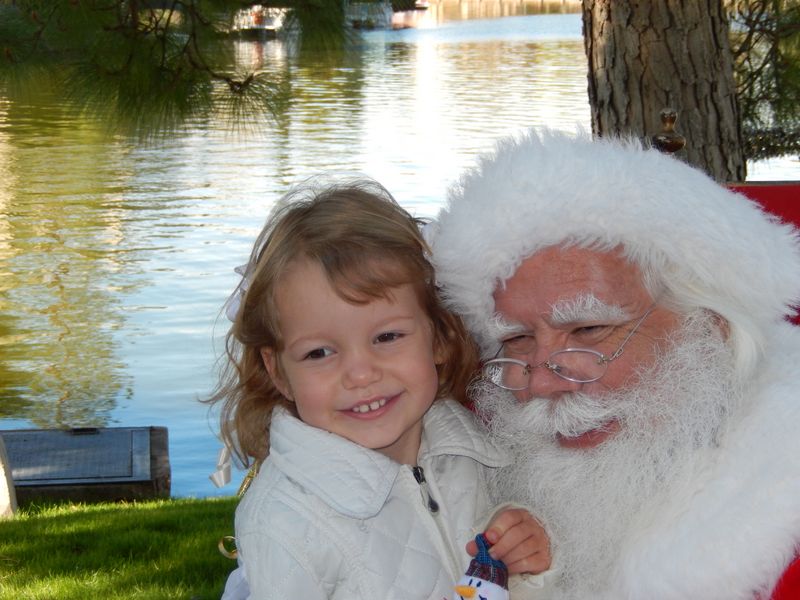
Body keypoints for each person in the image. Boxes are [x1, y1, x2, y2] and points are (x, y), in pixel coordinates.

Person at [429, 129, 800, 600]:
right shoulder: (471, 462)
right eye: (518, 339)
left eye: (588, 330)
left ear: (710, 329)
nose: (541, 383)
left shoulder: (778, 520)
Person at [210, 177, 551, 599]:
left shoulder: (478, 449)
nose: (360, 373)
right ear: (278, 371)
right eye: (319, 353)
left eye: (387, 338)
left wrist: (525, 557)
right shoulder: (284, 521)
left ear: (440, 337)